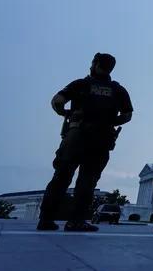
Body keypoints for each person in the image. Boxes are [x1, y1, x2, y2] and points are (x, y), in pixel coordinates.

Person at [37, 53, 133, 232]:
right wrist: (110, 122)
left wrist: (65, 113)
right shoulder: (118, 90)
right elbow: (127, 115)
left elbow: (57, 101)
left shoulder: (80, 84)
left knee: (61, 178)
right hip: (102, 138)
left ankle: (46, 219)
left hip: (76, 135)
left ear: (95, 64)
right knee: (87, 181)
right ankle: (76, 221)